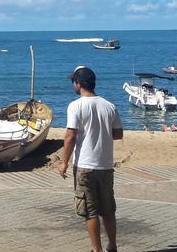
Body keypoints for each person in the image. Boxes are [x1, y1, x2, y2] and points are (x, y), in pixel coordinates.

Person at [58, 66, 124, 252]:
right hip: (105, 165)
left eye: (74, 81)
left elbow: (70, 136)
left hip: (85, 165)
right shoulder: (109, 106)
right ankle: (112, 245)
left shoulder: (76, 106)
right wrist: (101, 132)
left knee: (90, 210)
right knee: (108, 209)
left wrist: (64, 162)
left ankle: (97, 249)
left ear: (78, 84)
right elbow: (118, 134)